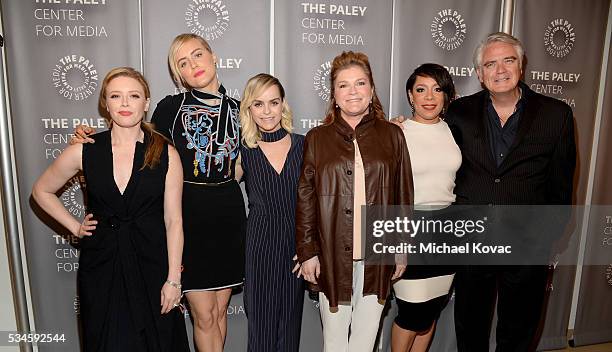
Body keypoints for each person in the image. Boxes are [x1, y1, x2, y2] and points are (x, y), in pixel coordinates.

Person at [72, 33, 245, 352]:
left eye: (197, 55)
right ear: (177, 74)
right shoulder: (170, 108)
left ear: (213, 56)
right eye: (183, 63)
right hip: (190, 219)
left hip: (230, 218)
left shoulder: (240, 109)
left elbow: (240, 166)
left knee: (219, 313)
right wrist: (88, 139)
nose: (193, 65)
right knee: (204, 317)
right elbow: (137, 141)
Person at [32, 67, 189, 351]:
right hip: (101, 265)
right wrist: (74, 226)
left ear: (146, 103)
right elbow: (41, 191)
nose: (125, 103)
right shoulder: (85, 150)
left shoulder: (166, 153)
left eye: (134, 96)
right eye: (116, 96)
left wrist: (173, 281)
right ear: (106, 103)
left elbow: (174, 221)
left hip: (152, 265)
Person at [446, 32, 576, 351]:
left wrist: (547, 236)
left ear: (521, 65)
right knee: (470, 325)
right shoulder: (458, 112)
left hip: (528, 243)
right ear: (479, 74)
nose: (500, 69)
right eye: (490, 63)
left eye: (508, 60)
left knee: (519, 329)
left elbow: (562, 183)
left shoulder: (556, 114)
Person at [296, 51, 413, 352]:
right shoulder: (317, 138)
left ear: (372, 90)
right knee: (334, 342)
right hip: (332, 256)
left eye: (360, 83)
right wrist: (308, 250)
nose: (353, 91)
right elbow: (306, 198)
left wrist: (401, 247)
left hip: (378, 255)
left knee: (365, 340)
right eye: (343, 85)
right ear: (334, 94)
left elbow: (403, 195)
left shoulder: (393, 136)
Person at [391, 63, 461, 352]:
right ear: (410, 96)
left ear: (446, 96)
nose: (429, 97)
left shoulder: (456, 130)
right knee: (411, 315)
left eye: (437, 89)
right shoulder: (395, 132)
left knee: (430, 313)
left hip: (447, 230)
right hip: (410, 228)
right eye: (421, 89)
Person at [238, 73, 304, 351]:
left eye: (273, 102)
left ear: (283, 105)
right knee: (262, 330)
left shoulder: (305, 145)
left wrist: (310, 247)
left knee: (288, 331)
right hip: (260, 247)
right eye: (258, 104)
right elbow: (214, 191)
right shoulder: (243, 151)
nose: (267, 111)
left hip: (296, 248)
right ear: (248, 109)